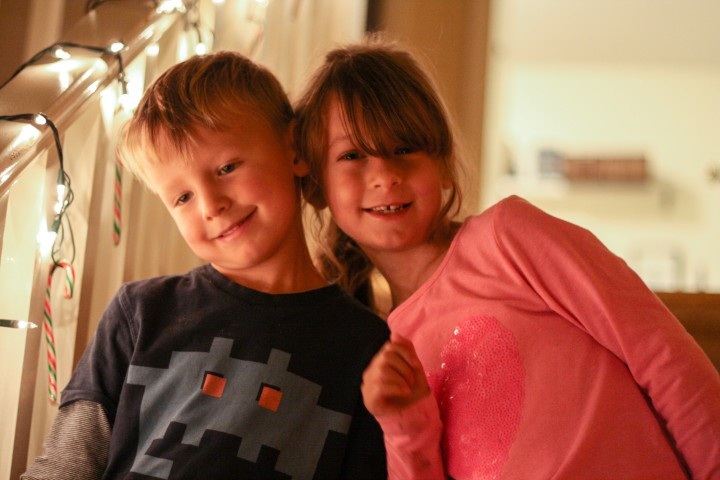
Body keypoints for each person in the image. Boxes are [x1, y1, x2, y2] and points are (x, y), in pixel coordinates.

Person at [294, 37, 720, 479]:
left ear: (443, 164)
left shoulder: (509, 237)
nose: (385, 174)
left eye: (404, 148)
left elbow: (661, 354)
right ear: (317, 186)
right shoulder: (385, 356)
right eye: (352, 155)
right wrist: (404, 425)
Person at [23, 51, 391, 480]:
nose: (211, 205)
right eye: (183, 197)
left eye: (227, 167)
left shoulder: (365, 346)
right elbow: (67, 464)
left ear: (293, 148)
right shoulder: (141, 311)